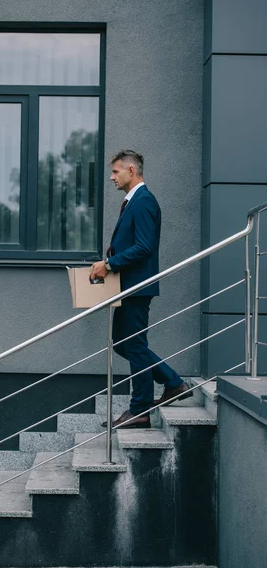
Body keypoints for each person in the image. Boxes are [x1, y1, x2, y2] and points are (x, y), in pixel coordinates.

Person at [90, 149, 192, 429]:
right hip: (127, 288)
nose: (112, 177)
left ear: (131, 171)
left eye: (115, 171)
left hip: (137, 287)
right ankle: (172, 382)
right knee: (124, 342)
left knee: (133, 344)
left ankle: (140, 408)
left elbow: (144, 247)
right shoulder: (133, 202)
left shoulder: (144, 201)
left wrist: (110, 264)